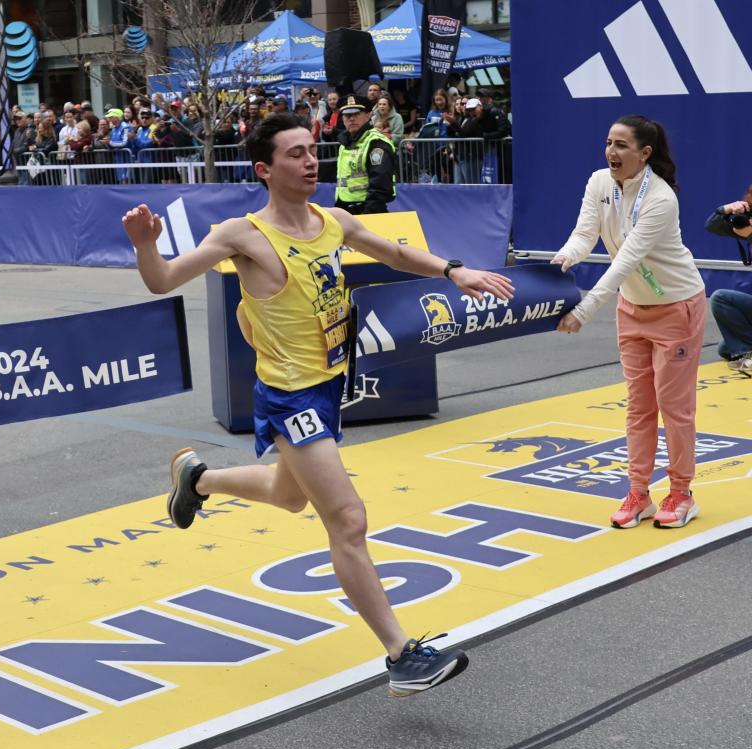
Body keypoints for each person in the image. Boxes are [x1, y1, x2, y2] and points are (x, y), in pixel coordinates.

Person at [122, 113, 515, 697]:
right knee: (348, 519)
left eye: (314, 151)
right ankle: (401, 654)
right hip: (289, 395)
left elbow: (396, 254)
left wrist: (454, 271)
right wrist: (146, 247)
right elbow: (164, 280)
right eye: (296, 154)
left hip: (329, 384)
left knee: (289, 495)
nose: (312, 162)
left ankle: (198, 479)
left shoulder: (333, 221)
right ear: (265, 169)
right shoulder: (241, 235)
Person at [553, 114, 707, 530]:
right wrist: (562, 262)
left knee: (674, 409)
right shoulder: (598, 182)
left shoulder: (661, 197)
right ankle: (639, 492)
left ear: (645, 153)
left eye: (621, 145)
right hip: (631, 310)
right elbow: (584, 234)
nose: (611, 152)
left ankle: (682, 493)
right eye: (608, 142)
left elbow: (626, 260)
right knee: (639, 408)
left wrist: (584, 310)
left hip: (677, 308)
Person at [706, 190, 752, 374]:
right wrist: (725, 210)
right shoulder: (746, 226)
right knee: (725, 348)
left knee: (720, 298)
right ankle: (745, 351)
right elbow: (711, 226)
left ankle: (748, 354)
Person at [334, 95, 396, 215]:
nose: (351, 119)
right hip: (346, 210)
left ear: (368, 115)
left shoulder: (376, 143)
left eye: (356, 114)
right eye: (347, 115)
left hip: (368, 211)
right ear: (342, 118)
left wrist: (369, 213)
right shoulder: (345, 144)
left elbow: (381, 184)